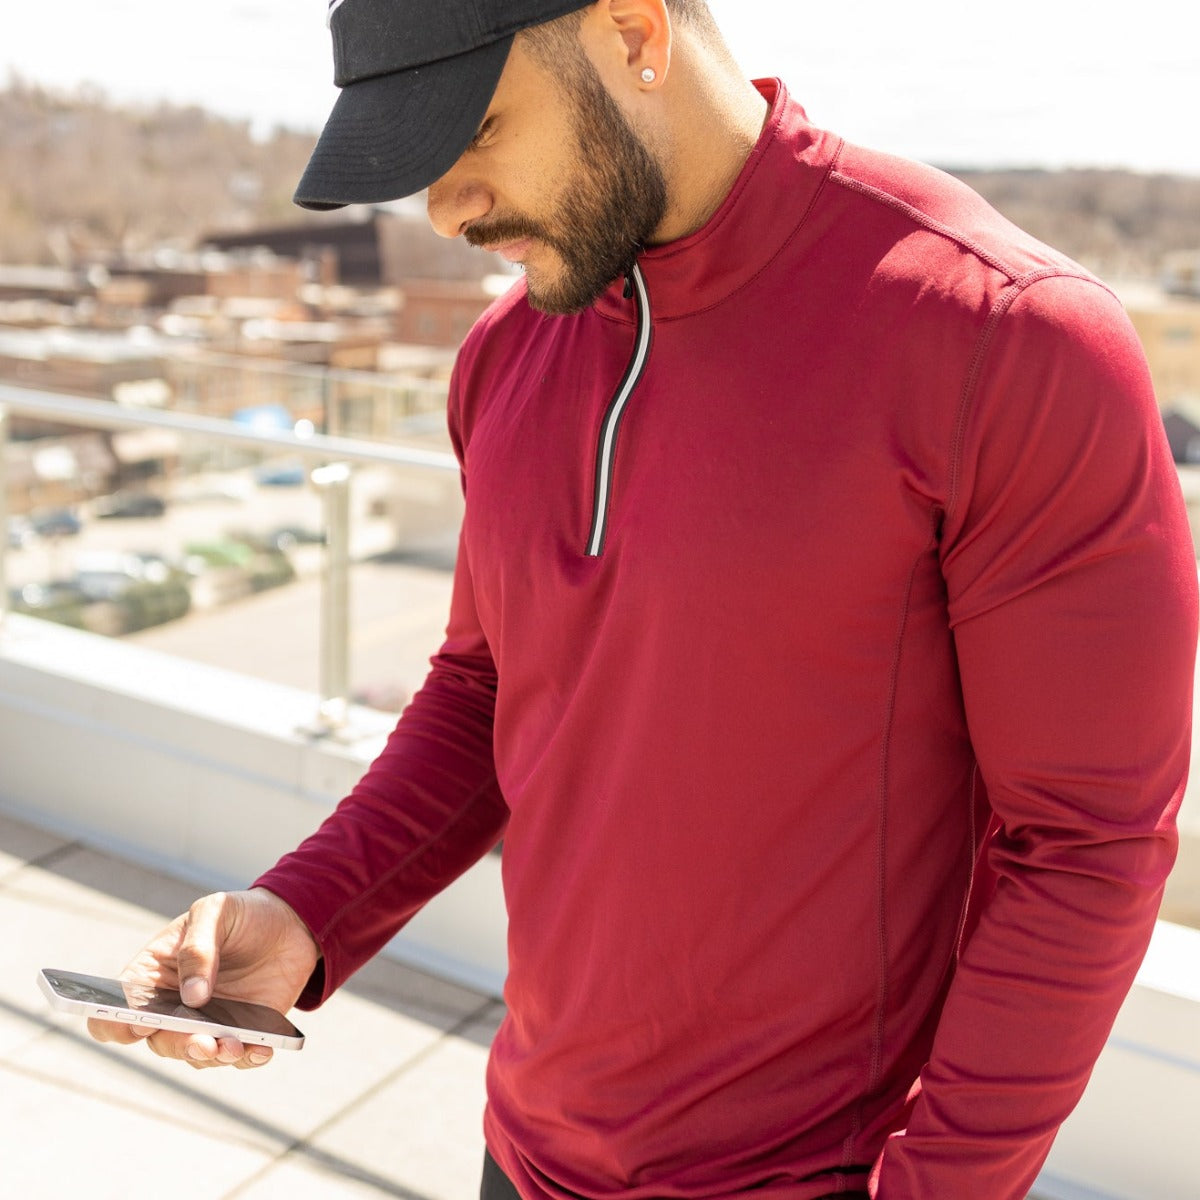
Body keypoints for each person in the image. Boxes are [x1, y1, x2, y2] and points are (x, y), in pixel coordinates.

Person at [89, 2, 1198, 1197]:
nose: (448, 211)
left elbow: (1083, 844)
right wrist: (305, 909)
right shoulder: (507, 354)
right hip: (523, 1150)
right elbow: (487, 691)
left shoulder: (1005, 339)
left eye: (476, 132)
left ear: (632, 32)